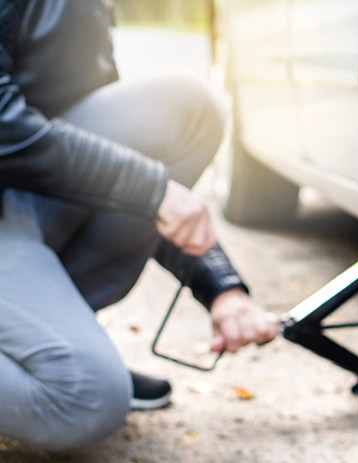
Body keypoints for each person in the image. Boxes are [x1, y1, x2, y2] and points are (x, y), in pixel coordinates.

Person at [0, 0, 282, 451]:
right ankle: (46, 355)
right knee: (87, 396)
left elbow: (116, 170)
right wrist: (150, 189)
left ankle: (45, 339)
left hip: (20, 198)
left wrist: (220, 288)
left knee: (185, 109)